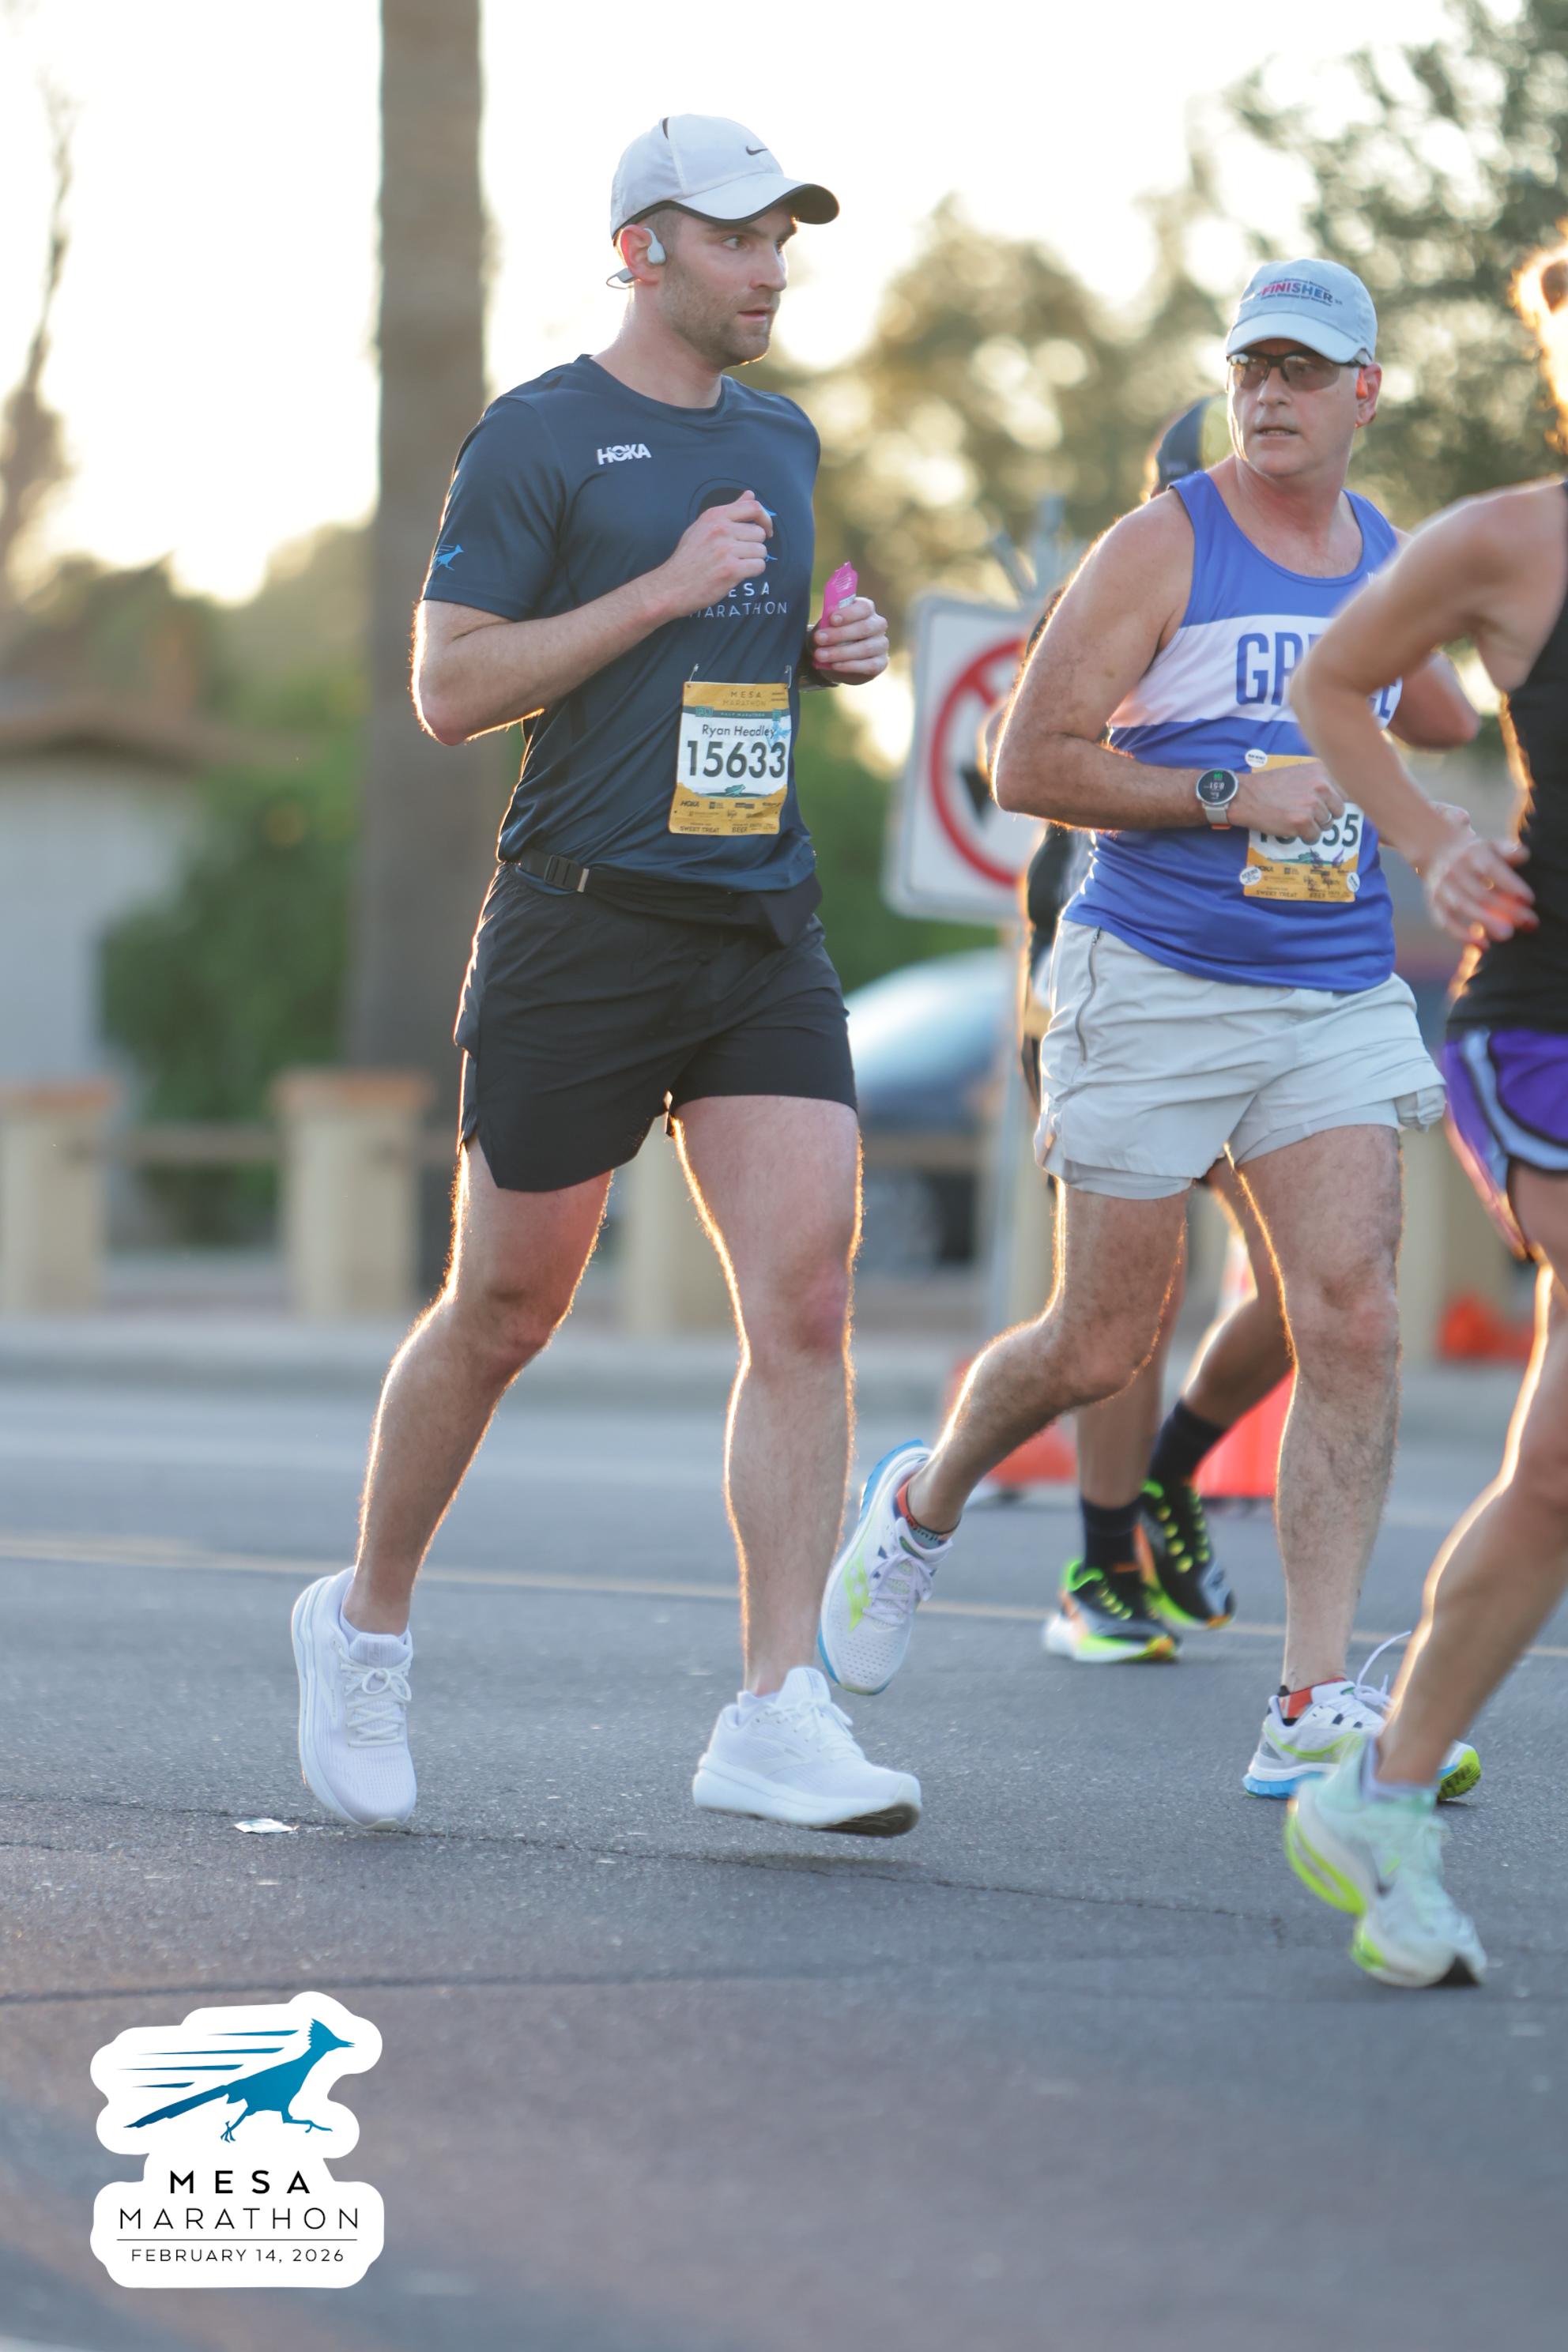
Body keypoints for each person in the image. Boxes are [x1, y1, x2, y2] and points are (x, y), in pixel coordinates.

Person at [290, 115, 920, 1840]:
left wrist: (822, 653)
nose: (769, 270)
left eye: (781, 239)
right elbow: (449, 689)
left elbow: (733, 652)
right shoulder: (538, 435)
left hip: (758, 922)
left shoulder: (783, 436)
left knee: (804, 1303)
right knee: (505, 1309)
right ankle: (363, 1624)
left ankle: (775, 1709)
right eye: (735, 239)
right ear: (643, 249)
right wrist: (658, 592)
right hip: (581, 925)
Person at [819, 258, 1483, 1808]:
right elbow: (1023, 762)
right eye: (1250, 366)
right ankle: (919, 1503)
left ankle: (1309, 1702)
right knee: (1100, 1341)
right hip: (1156, 975)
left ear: (1365, 393)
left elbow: (1438, 707)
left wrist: (1436, 715)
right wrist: (1225, 788)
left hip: (1328, 989)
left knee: (1353, 1315)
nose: (1269, 393)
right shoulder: (1161, 544)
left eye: (1302, 371)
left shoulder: (1387, 555)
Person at [1280, 237, 1568, 1988]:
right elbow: (1332, 682)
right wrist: (1427, 839)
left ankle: (1379, 1798)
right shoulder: (1507, 543)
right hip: (1545, 1029)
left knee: (1554, 1476)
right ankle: (1376, 1789)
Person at [992, 400, 1293, 1665]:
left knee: (1318, 1283)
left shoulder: (1325, 589)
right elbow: (1023, 759)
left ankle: (1174, 1470)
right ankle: (1103, 1566)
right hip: (1112, 982)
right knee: (1129, 1304)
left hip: (1270, 988)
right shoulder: (1125, 586)